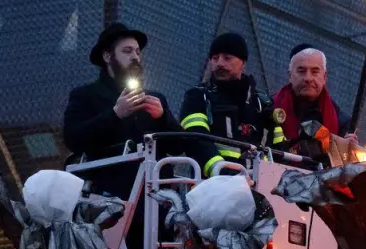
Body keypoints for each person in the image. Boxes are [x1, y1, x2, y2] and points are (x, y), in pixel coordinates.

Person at [62, 22, 176, 198]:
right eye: (127, 51)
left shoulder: (156, 99)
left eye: (138, 52)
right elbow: (72, 138)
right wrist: (115, 114)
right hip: (111, 200)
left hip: (157, 198)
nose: (135, 57)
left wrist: (163, 118)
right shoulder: (86, 95)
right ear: (107, 56)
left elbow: (179, 146)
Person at [178, 32, 284, 177]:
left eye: (227, 58)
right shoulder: (198, 97)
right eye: (215, 58)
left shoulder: (262, 103)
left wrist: (268, 178)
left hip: (258, 188)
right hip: (212, 188)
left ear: (243, 64)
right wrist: (222, 171)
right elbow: (196, 140)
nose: (219, 63)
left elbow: (279, 149)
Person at [272, 44, 360, 167]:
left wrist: (347, 153)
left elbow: (342, 170)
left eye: (315, 71)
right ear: (290, 76)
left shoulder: (341, 121)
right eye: (301, 71)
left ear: (324, 77)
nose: (308, 78)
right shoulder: (268, 108)